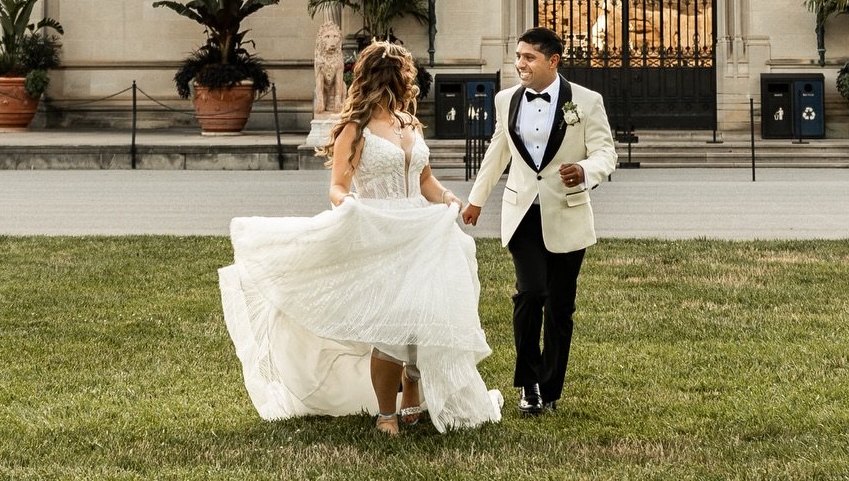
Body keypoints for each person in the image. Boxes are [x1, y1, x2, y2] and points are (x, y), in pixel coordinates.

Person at [219, 39, 502, 436]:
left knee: (425, 319)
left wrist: (447, 197)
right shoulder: (356, 129)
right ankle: (386, 414)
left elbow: (424, 179)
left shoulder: (409, 123)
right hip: (379, 231)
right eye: (403, 75)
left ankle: (412, 389)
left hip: (423, 232)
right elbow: (338, 186)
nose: (407, 82)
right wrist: (348, 205)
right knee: (390, 328)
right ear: (387, 78)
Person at [462, 26, 617, 416]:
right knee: (531, 293)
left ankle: (550, 389)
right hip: (522, 212)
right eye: (518, 56)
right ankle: (528, 383)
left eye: (529, 57)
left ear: (553, 61)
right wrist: (476, 200)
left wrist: (584, 170)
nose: (520, 64)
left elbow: (605, 153)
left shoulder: (587, 101)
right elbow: (498, 151)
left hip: (567, 212)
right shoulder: (505, 100)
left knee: (561, 307)